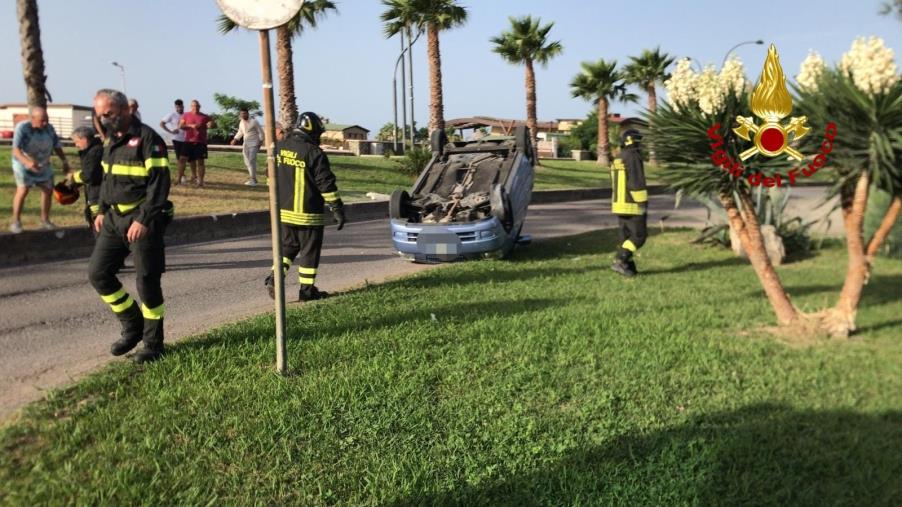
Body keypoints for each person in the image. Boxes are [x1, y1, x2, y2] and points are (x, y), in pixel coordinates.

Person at [88, 89, 172, 364]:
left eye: (108, 114)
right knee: (99, 273)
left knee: (147, 281)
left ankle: (153, 344)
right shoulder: (111, 140)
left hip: (142, 220)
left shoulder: (149, 139)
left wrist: (144, 219)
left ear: (125, 110)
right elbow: (106, 179)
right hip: (113, 220)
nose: (103, 119)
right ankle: (132, 323)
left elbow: (159, 185)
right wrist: (101, 210)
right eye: (100, 114)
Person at [264, 111, 345, 301]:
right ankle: (307, 291)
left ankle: (274, 278)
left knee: (287, 248)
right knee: (309, 252)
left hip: (282, 213)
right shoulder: (314, 153)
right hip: (308, 214)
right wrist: (337, 208)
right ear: (311, 131)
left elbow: (270, 177)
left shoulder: (279, 147)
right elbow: (326, 184)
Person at [9, 106, 71, 233]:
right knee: (23, 189)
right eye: (42, 120)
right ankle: (16, 221)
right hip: (23, 163)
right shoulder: (23, 128)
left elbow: (57, 146)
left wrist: (64, 161)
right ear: (32, 119)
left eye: (47, 120)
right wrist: (28, 162)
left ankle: (45, 220)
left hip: (43, 163)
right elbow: (16, 150)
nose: (45, 123)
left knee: (48, 190)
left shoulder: (49, 128)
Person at [610, 129, 649, 277]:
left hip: (619, 204)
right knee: (639, 236)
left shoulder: (619, 157)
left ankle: (628, 266)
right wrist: (642, 203)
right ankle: (620, 259)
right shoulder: (633, 157)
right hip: (633, 204)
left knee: (626, 236)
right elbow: (636, 181)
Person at [68, 126, 104, 228]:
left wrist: (74, 177)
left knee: (100, 233)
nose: (76, 145)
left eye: (76, 141)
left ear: (84, 139)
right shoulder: (91, 151)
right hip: (94, 196)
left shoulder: (95, 152)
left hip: (98, 199)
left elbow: (89, 176)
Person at [178, 99, 215, 187]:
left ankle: (200, 181)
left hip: (201, 142)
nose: (195, 107)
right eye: (194, 106)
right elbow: (181, 126)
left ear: (200, 106)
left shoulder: (204, 116)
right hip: (188, 141)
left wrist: (211, 124)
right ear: (191, 107)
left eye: (197, 105)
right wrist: (191, 125)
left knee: (200, 162)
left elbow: (213, 124)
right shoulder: (186, 115)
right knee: (182, 159)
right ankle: (179, 179)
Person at [230, 108, 264, 186]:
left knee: (251, 160)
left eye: (245, 113)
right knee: (247, 161)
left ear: (248, 114)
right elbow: (240, 132)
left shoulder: (254, 122)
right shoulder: (241, 122)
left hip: (254, 143)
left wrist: (260, 142)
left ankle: (253, 179)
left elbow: (261, 132)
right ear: (240, 115)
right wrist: (235, 139)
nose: (243, 115)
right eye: (242, 114)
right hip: (246, 144)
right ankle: (253, 178)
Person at [159, 99, 189, 184]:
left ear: (183, 106)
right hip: (177, 139)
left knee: (187, 159)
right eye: (177, 107)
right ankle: (182, 176)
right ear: (175, 107)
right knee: (179, 158)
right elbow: (161, 124)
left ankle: (187, 176)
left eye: (180, 106)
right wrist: (170, 131)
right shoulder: (172, 115)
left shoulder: (186, 115)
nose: (179, 108)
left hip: (187, 139)